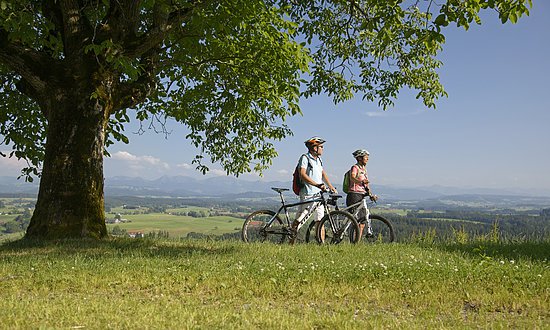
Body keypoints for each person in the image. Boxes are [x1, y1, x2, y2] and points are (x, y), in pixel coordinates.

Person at [289, 136, 337, 244]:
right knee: (300, 220)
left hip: (318, 195)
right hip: (307, 194)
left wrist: (330, 186)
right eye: (321, 146)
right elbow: (302, 174)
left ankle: (321, 244)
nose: (322, 149)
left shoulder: (319, 160)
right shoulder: (305, 158)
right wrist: (317, 184)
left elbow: (323, 174)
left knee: (320, 221)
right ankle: (290, 243)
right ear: (314, 147)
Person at [346, 149, 378, 238]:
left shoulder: (364, 170)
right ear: (359, 158)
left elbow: (366, 184)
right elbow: (352, 177)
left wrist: (371, 195)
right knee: (356, 221)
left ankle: (357, 243)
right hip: (354, 195)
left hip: (362, 195)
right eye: (366, 156)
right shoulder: (355, 167)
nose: (367, 158)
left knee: (362, 221)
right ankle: (352, 240)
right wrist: (360, 181)